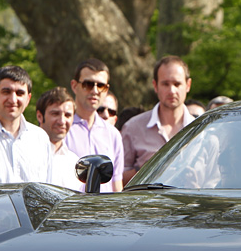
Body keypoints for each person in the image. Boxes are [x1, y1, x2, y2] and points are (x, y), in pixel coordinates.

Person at [121, 55, 194, 183]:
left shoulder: (204, 132)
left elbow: (216, 184)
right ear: (155, 86)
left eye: (177, 84)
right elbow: (116, 181)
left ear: (188, 85)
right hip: (146, 202)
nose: (172, 91)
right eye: (165, 84)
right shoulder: (132, 128)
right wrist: (143, 170)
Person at [65, 59, 123, 192]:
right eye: (88, 84)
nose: (95, 91)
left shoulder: (113, 135)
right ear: (74, 86)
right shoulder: (62, 130)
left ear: (106, 89)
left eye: (101, 86)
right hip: (70, 209)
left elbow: (117, 187)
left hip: (105, 210)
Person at [35, 87, 81, 190]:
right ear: (39, 116)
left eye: (68, 115)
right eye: (55, 114)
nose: (62, 121)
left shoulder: (74, 162)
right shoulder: (25, 152)